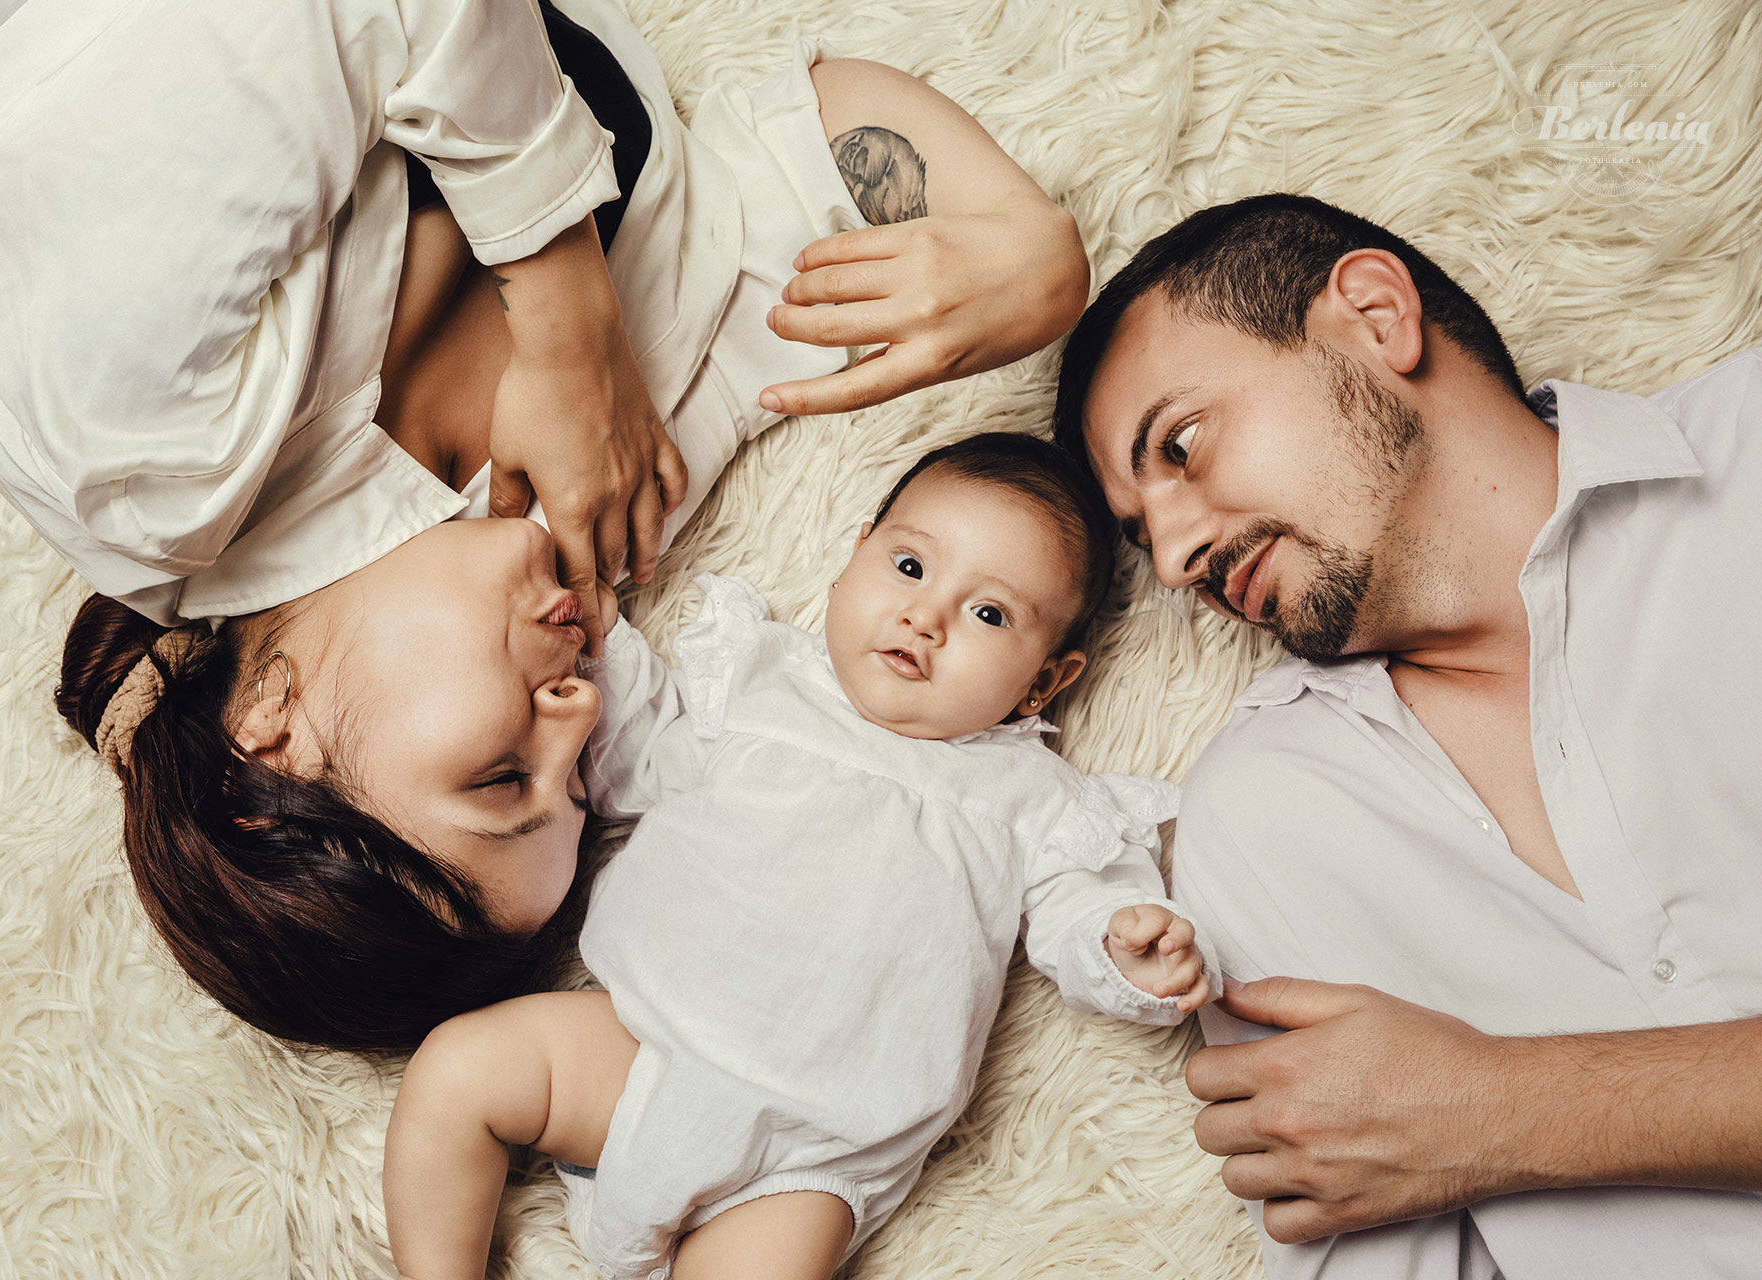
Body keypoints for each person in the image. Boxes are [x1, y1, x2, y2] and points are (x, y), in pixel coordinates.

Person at [0, 0, 1089, 1050]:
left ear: (270, 740)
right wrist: (1035, 261)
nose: (581, 715)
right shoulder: (588, 504)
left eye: (503, 774)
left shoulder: (129, 456)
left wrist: (564, 312)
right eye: (576, 786)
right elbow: (804, 187)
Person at [1050, 192, 1762, 1276]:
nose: (1178, 557)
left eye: (1181, 446)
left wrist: (1502, 1111)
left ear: (1377, 314)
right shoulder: (1265, 819)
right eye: (1142, 534)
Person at [382, 433, 1218, 1280]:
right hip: (638, 1043)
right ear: (851, 560)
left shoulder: (1033, 801)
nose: (923, 617)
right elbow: (633, 753)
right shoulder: (755, 684)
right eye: (908, 567)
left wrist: (1124, 945)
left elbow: (1080, 912)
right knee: (457, 1072)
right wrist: (595, 647)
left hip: (814, 1153)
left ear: (1043, 681)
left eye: (989, 613)